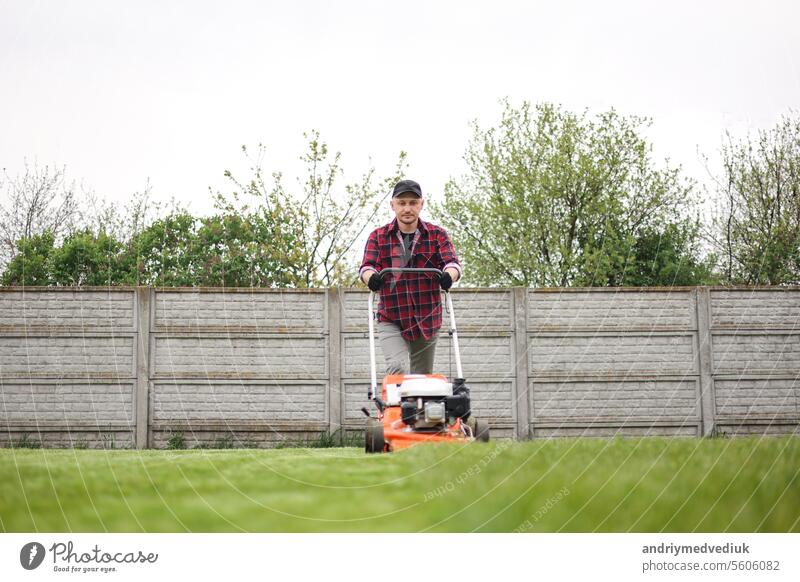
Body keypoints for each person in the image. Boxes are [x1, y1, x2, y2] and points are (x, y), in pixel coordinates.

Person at [360, 179, 462, 375]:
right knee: (397, 367)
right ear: (393, 205)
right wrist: (371, 278)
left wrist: (448, 276)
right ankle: (394, 405)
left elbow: (452, 264)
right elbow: (367, 266)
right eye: (402, 203)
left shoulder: (437, 235)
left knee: (421, 380)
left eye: (413, 203)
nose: (407, 208)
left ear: (421, 204)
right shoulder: (378, 237)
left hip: (427, 318)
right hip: (391, 317)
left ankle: (419, 407)